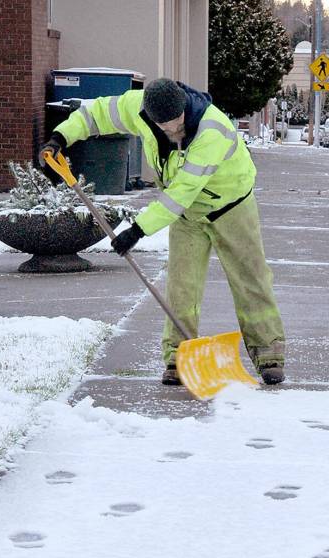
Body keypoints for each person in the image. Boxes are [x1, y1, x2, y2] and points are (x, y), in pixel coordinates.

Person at [40, 78, 286, 386]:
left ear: (183, 107)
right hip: (186, 216)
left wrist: (138, 230)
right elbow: (97, 113)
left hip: (231, 206)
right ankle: (179, 358)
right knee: (181, 285)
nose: (172, 130)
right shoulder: (138, 107)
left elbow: (181, 193)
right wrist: (60, 137)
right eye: (164, 125)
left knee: (250, 278)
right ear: (149, 115)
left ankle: (269, 354)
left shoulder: (211, 130)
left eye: (177, 122)